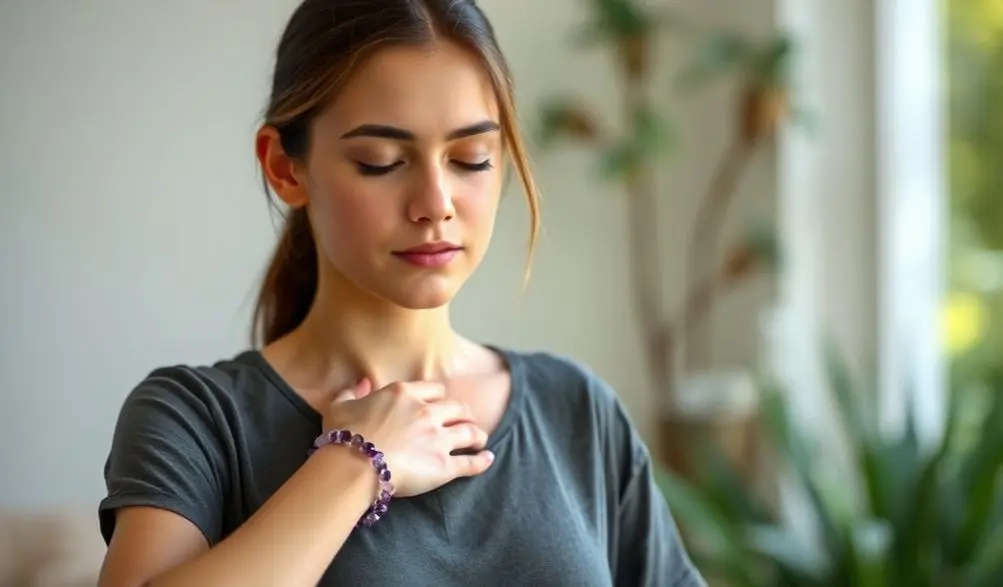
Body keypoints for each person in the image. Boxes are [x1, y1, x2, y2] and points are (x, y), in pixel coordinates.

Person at [96, 1, 705, 586]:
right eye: (381, 161)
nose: (435, 204)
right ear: (286, 168)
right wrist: (356, 462)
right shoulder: (195, 419)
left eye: (471, 159)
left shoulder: (575, 409)